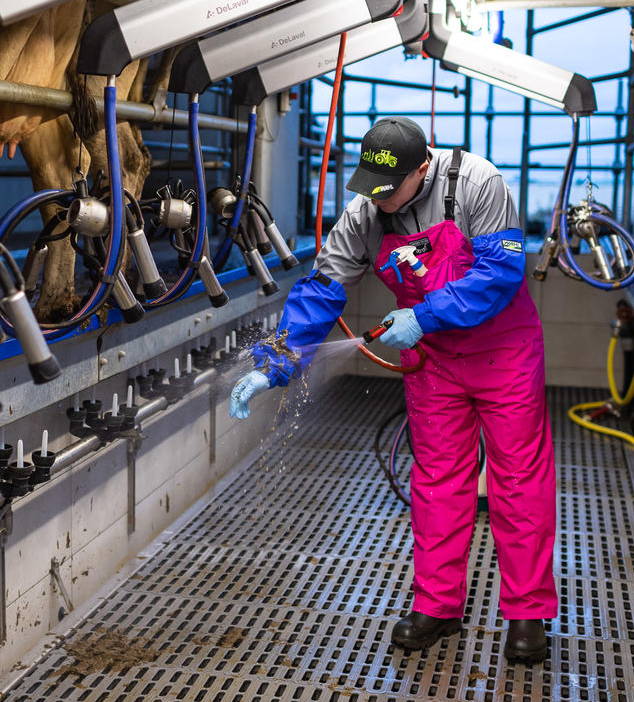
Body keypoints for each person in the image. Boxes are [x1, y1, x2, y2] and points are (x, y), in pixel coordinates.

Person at [229, 116, 556, 664]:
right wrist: (275, 363)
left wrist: (426, 314)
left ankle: (527, 615)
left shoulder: (476, 182)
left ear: (422, 168)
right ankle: (437, 605)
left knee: (518, 481)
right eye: (371, 189)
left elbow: (501, 273)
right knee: (436, 481)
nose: (379, 201)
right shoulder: (365, 213)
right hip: (432, 364)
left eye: (391, 189)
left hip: (503, 354)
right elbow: (322, 289)